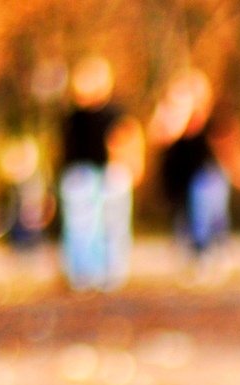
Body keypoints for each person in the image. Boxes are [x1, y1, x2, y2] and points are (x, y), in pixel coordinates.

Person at [150, 70, 240, 274]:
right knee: (186, 220)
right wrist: (171, 113)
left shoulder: (216, 114)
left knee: (210, 217)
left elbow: (232, 143)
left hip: (208, 174)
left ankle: (213, 254)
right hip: (181, 177)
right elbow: (159, 138)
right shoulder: (171, 116)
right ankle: (196, 256)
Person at [58, 57, 144, 292]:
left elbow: (129, 140)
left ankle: (111, 272)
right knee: (81, 227)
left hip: (109, 174)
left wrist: (132, 166)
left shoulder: (115, 113)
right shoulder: (72, 116)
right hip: (80, 176)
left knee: (112, 225)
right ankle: (84, 273)